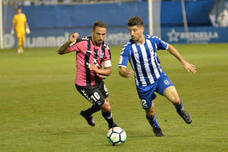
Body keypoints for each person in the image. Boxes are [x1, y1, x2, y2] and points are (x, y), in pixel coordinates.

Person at [118, 16, 196, 137]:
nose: (131, 33)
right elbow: (121, 69)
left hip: (159, 77)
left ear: (141, 29)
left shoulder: (153, 40)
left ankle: (180, 110)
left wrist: (184, 62)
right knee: (150, 112)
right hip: (143, 85)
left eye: (134, 30)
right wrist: (125, 73)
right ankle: (155, 126)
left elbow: (169, 47)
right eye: (130, 31)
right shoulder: (128, 48)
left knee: (176, 99)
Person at [57, 21, 118, 129]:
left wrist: (98, 71)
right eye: (98, 34)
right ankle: (112, 126)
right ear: (93, 32)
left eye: (103, 34)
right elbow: (60, 51)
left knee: (105, 103)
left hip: (98, 81)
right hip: (84, 84)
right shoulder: (82, 43)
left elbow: (109, 71)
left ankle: (87, 113)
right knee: (106, 106)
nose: (101, 37)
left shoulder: (105, 49)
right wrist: (69, 42)